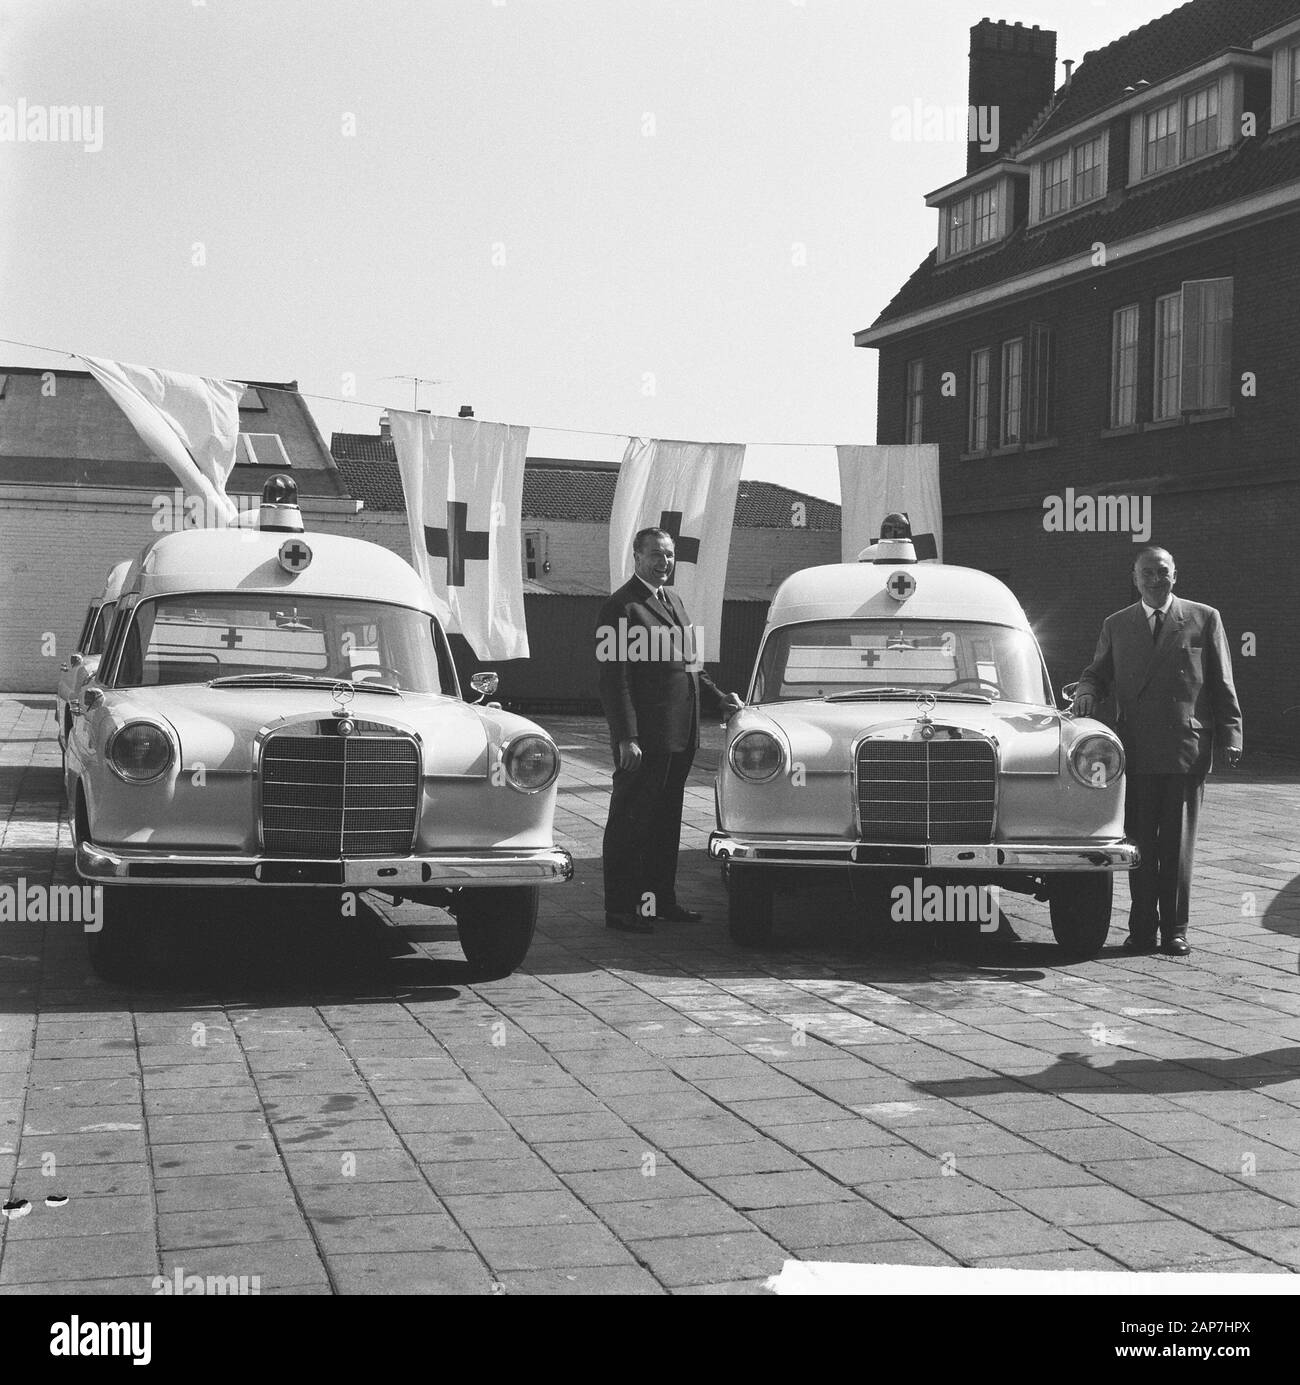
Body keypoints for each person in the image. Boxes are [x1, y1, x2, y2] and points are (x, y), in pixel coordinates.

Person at [1071, 546, 1242, 956]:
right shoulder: (1117, 624)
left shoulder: (1204, 617)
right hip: (1138, 751)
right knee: (1140, 844)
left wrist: (1231, 733)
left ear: (1174, 575)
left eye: (1161, 572)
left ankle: (1176, 930)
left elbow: (1222, 682)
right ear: (1135, 578)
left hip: (1186, 749)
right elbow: (1096, 673)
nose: (1154, 579)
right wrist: (1087, 692)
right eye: (1146, 573)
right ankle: (1142, 928)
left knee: (1178, 846)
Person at [597, 527, 743, 933]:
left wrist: (719, 700)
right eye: (657, 555)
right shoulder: (621, 607)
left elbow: (692, 667)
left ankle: (660, 900)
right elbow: (615, 679)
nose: (665, 563)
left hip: (680, 736)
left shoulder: (675, 601)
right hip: (645, 739)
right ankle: (622, 908)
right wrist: (627, 736)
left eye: (670, 556)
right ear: (637, 556)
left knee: (665, 822)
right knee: (631, 822)